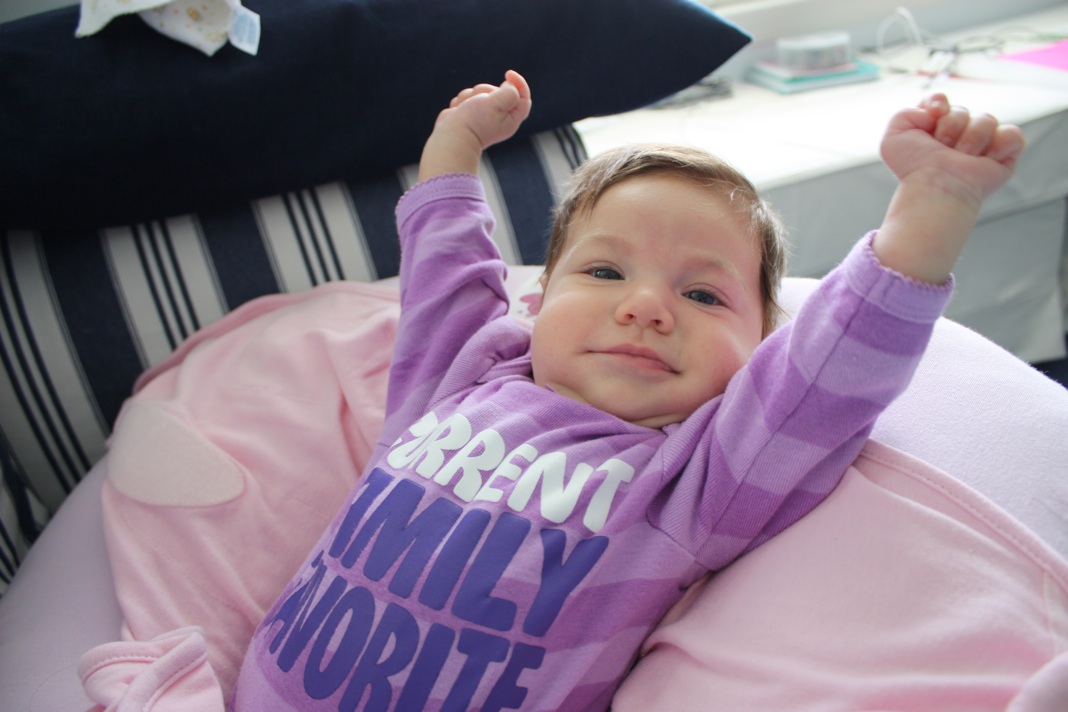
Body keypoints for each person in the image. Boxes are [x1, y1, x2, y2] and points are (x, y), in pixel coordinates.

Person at [230, 70, 1025, 711]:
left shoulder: (693, 479)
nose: (645, 307)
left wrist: (934, 204)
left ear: (760, 353)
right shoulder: (460, 379)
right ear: (538, 301)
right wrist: (454, 148)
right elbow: (445, 274)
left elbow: (835, 370)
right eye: (606, 271)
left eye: (703, 295)